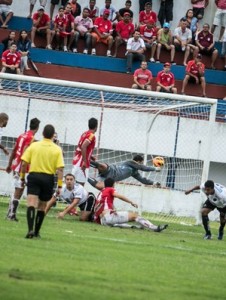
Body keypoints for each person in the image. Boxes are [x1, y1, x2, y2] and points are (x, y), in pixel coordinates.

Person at [20, 124, 64, 239]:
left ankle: (30, 230)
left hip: (34, 176)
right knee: (42, 206)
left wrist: (22, 177)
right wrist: (59, 186)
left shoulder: (34, 146)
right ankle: (36, 231)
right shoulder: (57, 149)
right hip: (48, 178)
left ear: (43, 133)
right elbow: (60, 169)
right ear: (52, 135)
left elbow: (24, 163)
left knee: (31, 203)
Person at [94, 177, 168, 232]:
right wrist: (131, 202)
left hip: (102, 220)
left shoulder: (101, 192)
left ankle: (135, 227)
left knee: (122, 218)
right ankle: (154, 228)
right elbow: (119, 196)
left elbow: (100, 206)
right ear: (113, 184)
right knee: (135, 216)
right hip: (108, 217)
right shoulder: (110, 189)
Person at [5, 118, 40, 221]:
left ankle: (10, 213)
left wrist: (9, 164)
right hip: (22, 166)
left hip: (16, 164)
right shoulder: (31, 137)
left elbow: (15, 150)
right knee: (19, 189)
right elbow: (25, 151)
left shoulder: (22, 135)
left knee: (18, 189)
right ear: (37, 127)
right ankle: (11, 215)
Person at [88, 154, 161, 190]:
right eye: (141, 162)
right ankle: (86, 161)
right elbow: (142, 168)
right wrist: (155, 168)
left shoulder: (134, 173)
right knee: (102, 166)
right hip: (112, 170)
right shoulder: (130, 162)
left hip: (110, 179)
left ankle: (86, 177)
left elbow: (143, 180)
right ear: (138, 161)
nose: (141, 164)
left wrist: (154, 183)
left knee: (99, 186)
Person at [72, 118, 98, 186]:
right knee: (80, 186)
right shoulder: (92, 135)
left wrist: (91, 156)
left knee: (74, 185)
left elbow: (81, 147)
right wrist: (84, 161)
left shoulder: (84, 133)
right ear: (96, 127)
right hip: (81, 163)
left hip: (77, 161)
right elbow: (83, 146)